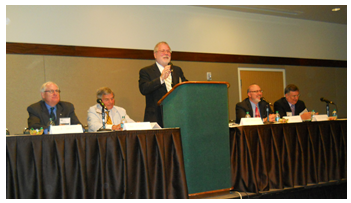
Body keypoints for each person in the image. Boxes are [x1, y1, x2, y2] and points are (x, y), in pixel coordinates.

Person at [139, 41, 188, 127]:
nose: (166, 53)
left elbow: (185, 87)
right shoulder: (146, 71)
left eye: (168, 51)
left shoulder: (177, 70)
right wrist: (161, 79)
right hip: (156, 118)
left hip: (176, 117)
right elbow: (144, 89)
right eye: (163, 51)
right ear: (155, 54)